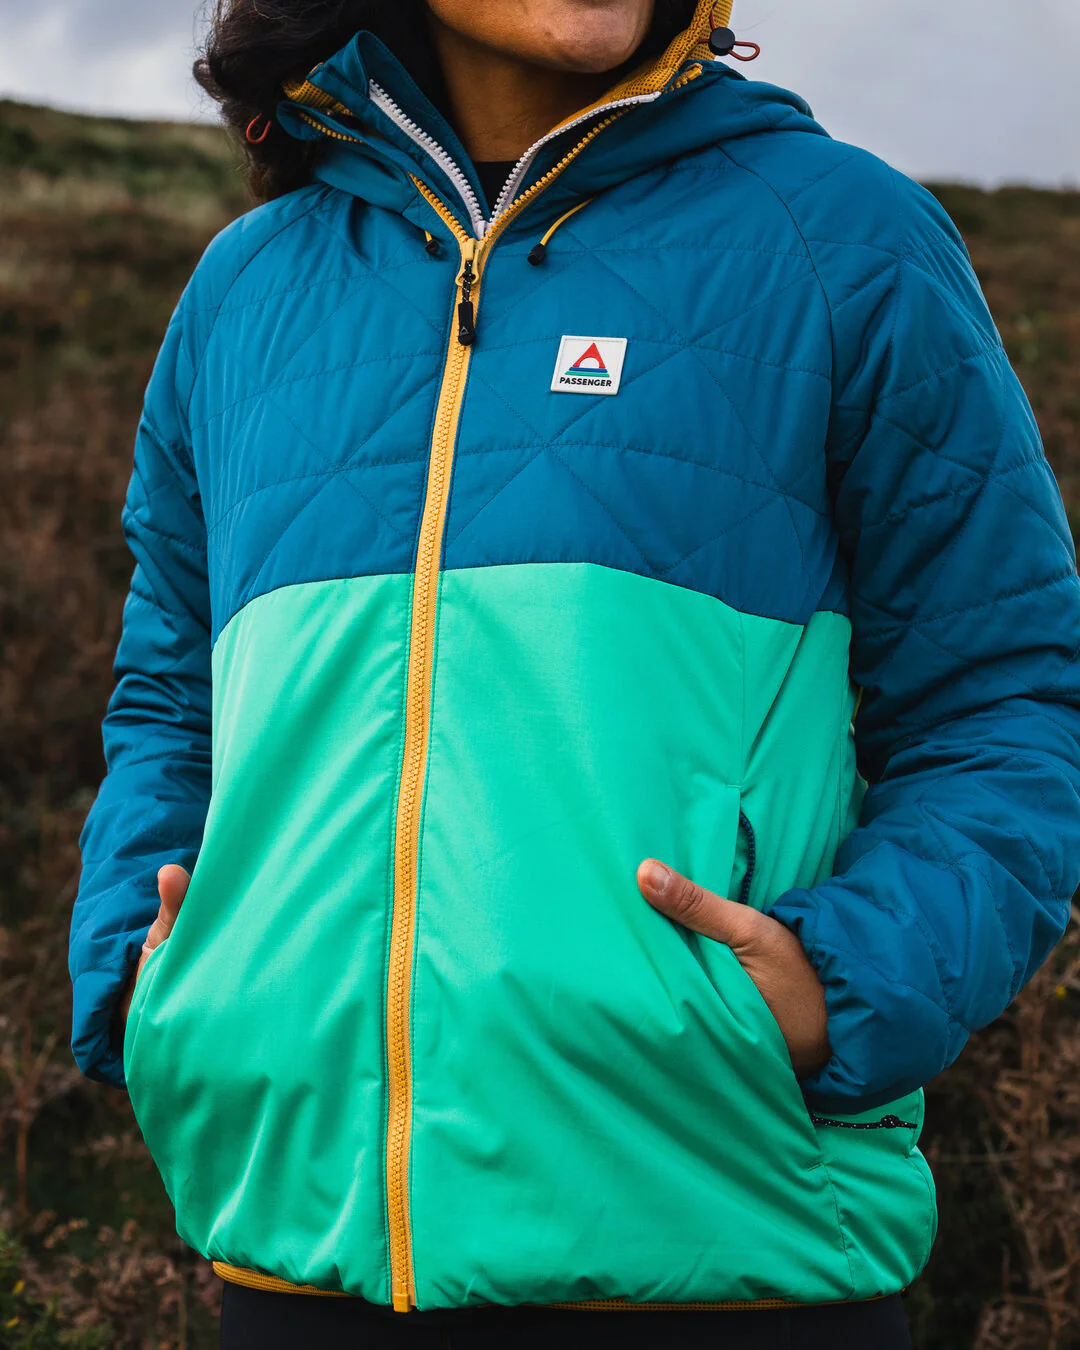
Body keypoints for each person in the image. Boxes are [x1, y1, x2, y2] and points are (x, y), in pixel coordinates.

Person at [67, 0, 1080, 1346]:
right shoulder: (244, 294)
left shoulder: (842, 243)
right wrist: (159, 983)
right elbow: (170, 701)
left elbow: (1008, 696)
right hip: (293, 1265)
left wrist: (839, 986)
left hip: (725, 1249)